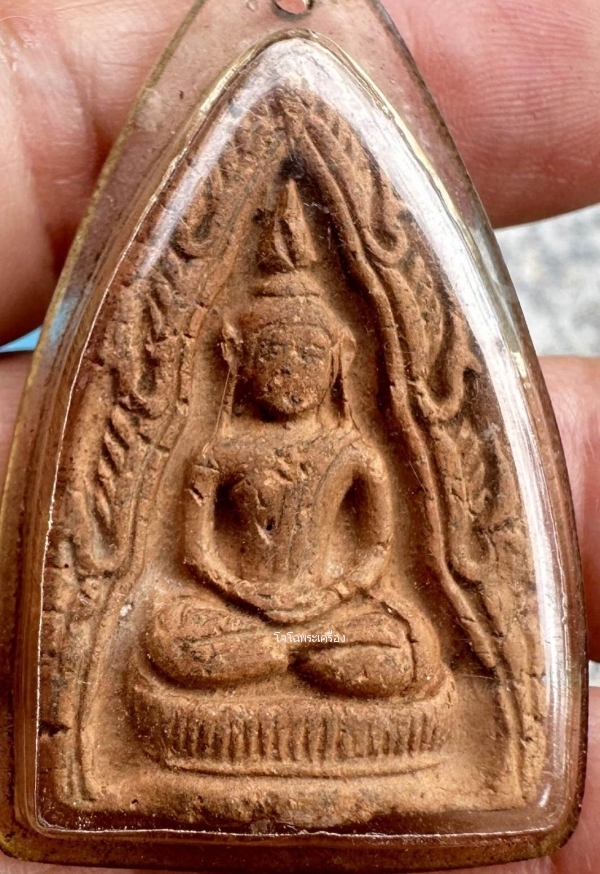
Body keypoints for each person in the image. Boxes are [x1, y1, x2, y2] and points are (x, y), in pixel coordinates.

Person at [0, 0, 599, 870]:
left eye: (305, 358)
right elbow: (196, 552)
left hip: (332, 616)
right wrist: (249, 600)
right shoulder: (220, 452)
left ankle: (319, 687)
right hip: (234, 617)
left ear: (337, 361)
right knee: (170, 640)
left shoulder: (352, 452)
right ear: (240, 362)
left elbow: (377, 549)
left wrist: (323, 605)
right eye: (273, 357)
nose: (288, 374)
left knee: (409, 652)